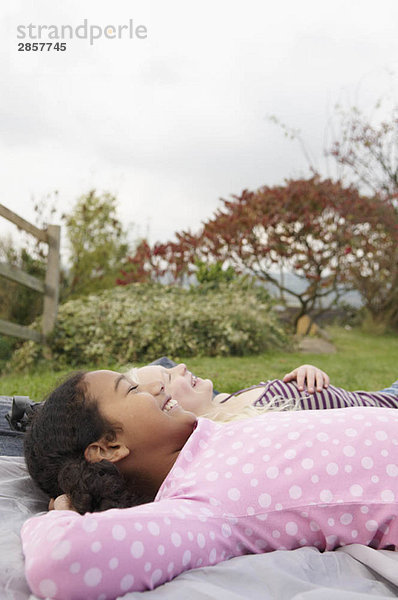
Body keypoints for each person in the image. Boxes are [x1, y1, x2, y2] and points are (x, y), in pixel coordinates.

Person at [22, 369, 398, 600]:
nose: (153, 386)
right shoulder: (200, 505)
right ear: (108, 448)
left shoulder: (209, 440)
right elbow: (61, 563)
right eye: (132, 390)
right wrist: (61, 513)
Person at [128, 362, 398, 421]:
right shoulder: (245, 426)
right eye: (169, 376)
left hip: (382, 395)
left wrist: (306, 370)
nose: (182, 366)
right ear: (168, 405)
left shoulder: (222, 401)